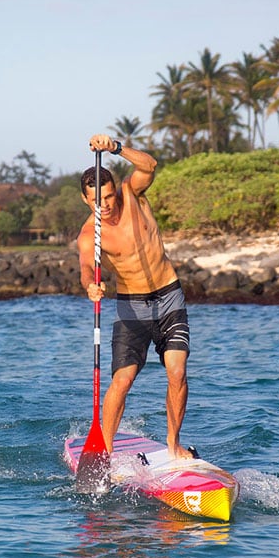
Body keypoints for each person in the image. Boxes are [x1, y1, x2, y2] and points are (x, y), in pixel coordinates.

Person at [77, 133, 194, 460]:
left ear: (117, 190)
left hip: (169, 296)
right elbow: (87, 266)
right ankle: (106, 453)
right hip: (132, 307)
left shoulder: (133, 193)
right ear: (86, 201)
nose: (106, 205)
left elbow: (150, 165)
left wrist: (115, 147)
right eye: (97, 200)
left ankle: (173, 445)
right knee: (123, 380)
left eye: (109, 196)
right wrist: (90, 285)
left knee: (177, 371)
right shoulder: (90, 233)